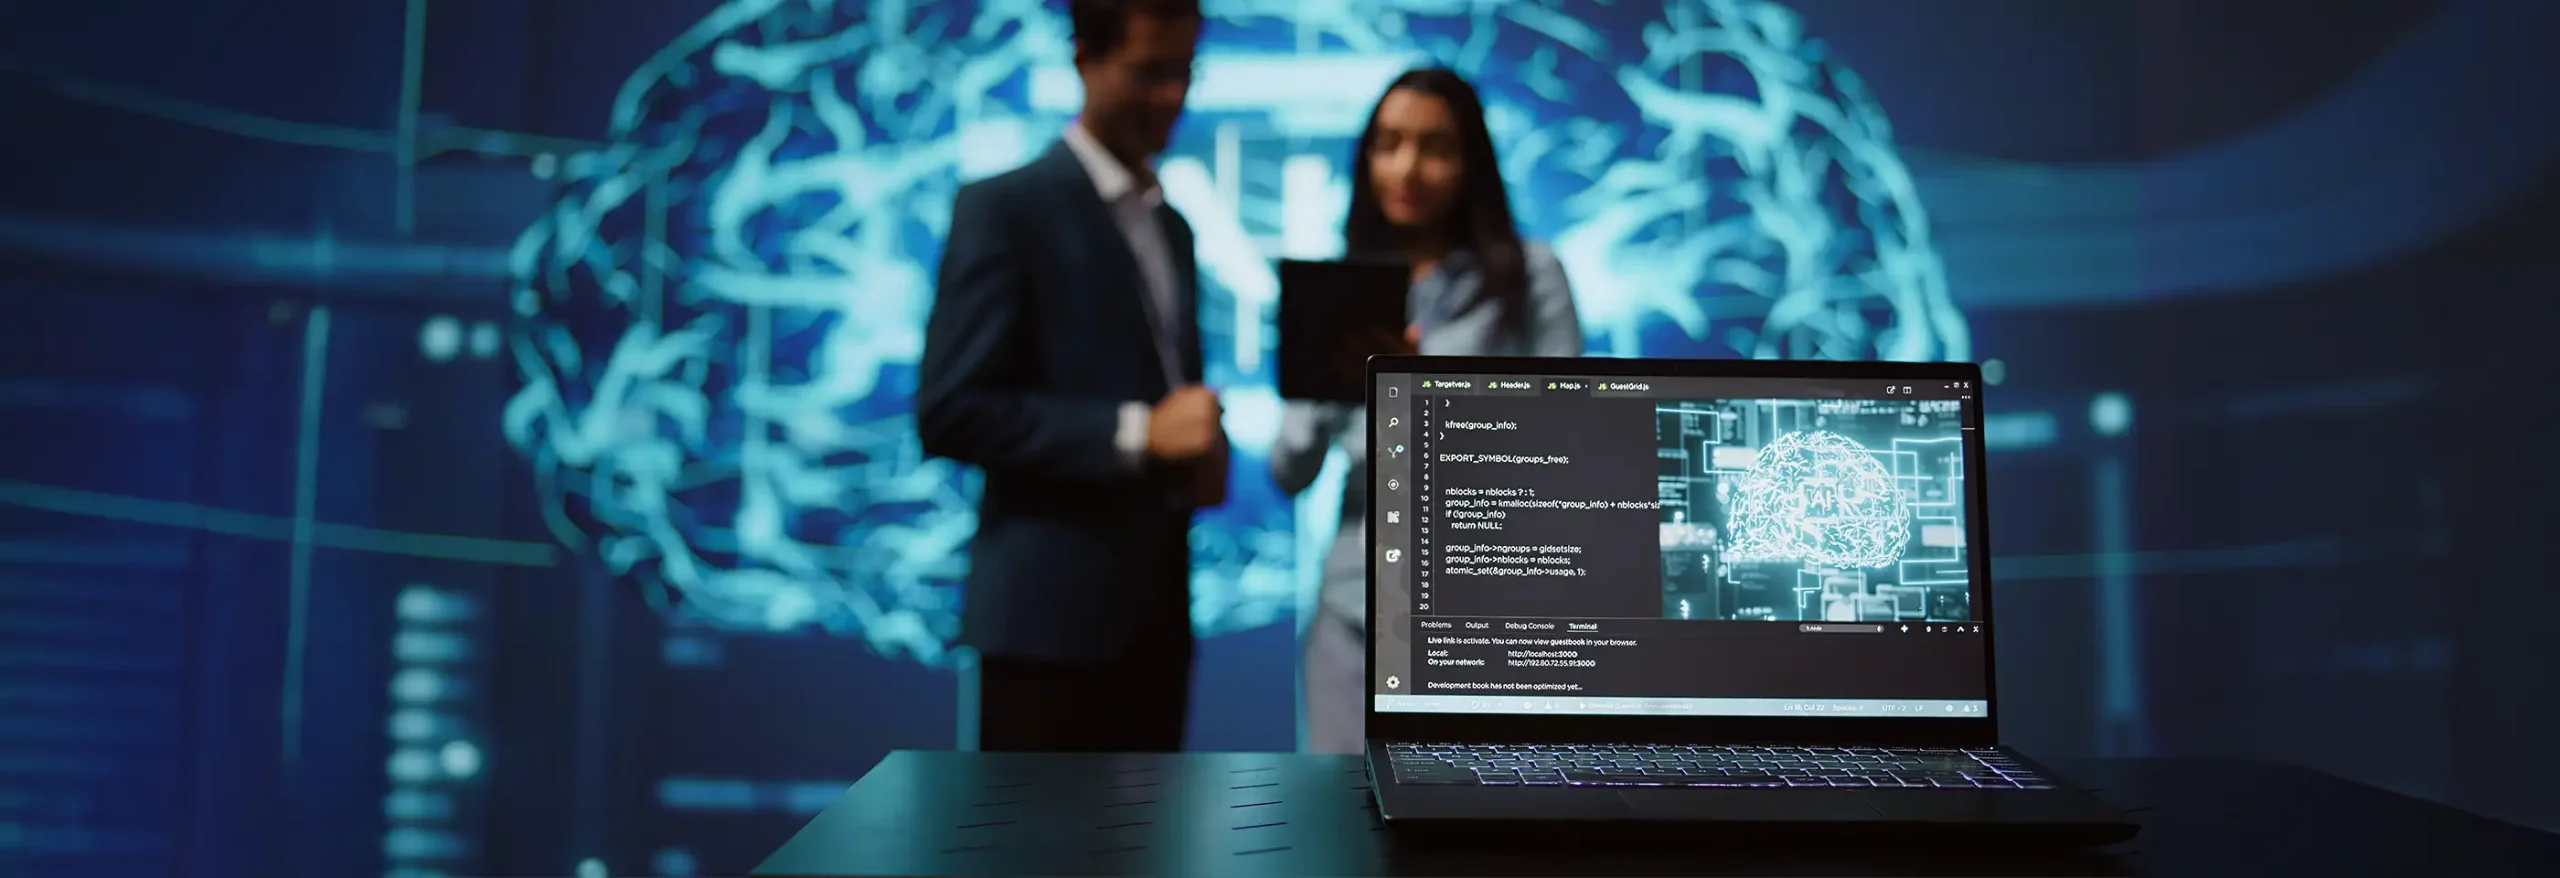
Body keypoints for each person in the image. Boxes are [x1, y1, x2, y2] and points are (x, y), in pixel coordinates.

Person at [915, 0, 1221, 753]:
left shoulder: (1172, 225)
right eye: (1149, 72)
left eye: (1184, 71)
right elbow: (951, 410)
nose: (1172, 96)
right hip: (1045, 633)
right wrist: (1138, 433)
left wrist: (1196, 460)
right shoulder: (1004, 208)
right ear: (1085, 57)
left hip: (1155, 625)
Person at [1271, 68, 1585, 754]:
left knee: (1484, 811)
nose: (1407, 168)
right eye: (1388, 144)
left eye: (1434, 147)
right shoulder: (1337, 288)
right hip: (1355, 606)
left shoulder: (1529, 278)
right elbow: (1288, 470)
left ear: (1471, 162)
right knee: (1340, 810)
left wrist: (1422, 389)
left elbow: (1571, 449)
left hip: (1490, 612)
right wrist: (1331, 379)